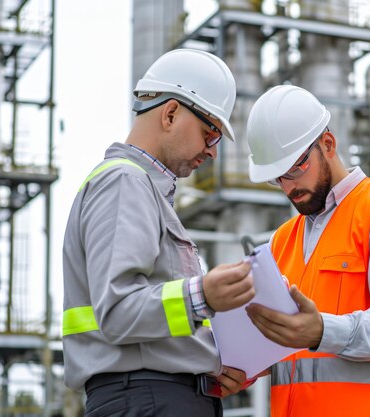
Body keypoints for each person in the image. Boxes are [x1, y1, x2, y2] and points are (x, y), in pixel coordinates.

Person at [62, 49, 256, 417]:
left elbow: (151, 320)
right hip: (147, 398)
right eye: (209, 134)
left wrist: (213, 362)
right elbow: (119, 311)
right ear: (170, 113)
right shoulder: (124, 182)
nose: (211, 152)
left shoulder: (143, 192)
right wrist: (205, 294)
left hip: (155, 397)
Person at [244, 85, 370, 417]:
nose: (289, 186)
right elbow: (289, 353)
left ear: (328, 145)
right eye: (277, 178)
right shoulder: (282, 241)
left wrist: (322, 331)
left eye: (296, 168)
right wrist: (244, 364)